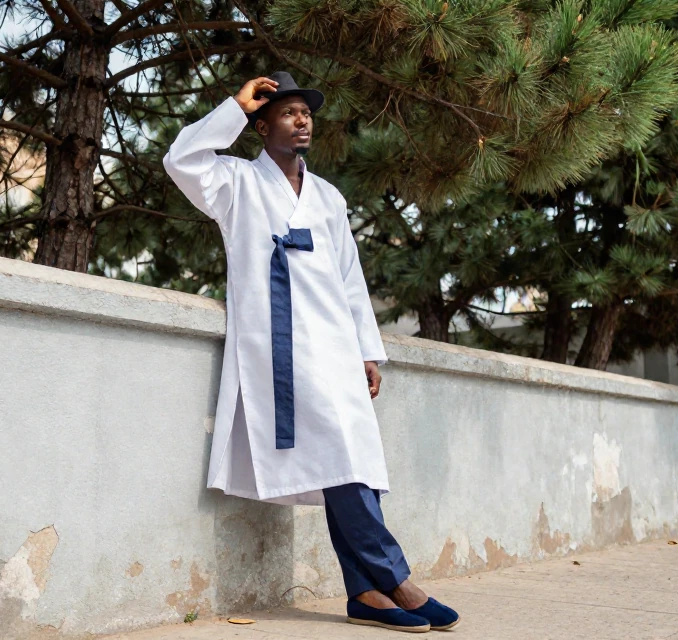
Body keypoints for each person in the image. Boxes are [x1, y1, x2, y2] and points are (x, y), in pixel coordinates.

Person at [162, 72, 460, 633]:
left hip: (335, 347)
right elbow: (181, 159)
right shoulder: (234, 183)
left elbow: (349, 277)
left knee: (357, 464)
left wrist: (367, 350)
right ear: (261, 124)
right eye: (287, 112)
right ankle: (394, 578)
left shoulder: (328, 196)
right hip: (279, 350)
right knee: (342, 462)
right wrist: (234, 105)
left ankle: (365, 595)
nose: (302, 120)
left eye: (307, 113)